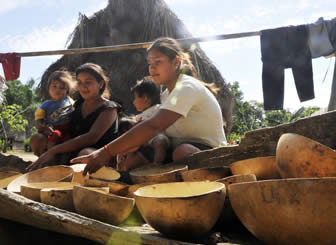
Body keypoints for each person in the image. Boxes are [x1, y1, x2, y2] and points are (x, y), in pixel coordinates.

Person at [71, 37, 227, 175]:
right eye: (150, 63)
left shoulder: (186, 87)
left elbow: (154, 126)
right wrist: (130, 145)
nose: (152, 68)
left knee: (182, 152)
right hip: (178, 147)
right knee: (139, 156)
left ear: (176, 61)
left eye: (158, 62)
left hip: (210, 152)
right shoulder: (167, 94)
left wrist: (104, 152)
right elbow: (157, 131)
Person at [27, 63, 121, 171]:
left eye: (88, 82)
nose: (83, 86)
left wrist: (54, 150)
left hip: (98, 154)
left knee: (85, 154)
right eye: (79, 82)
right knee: (37, 139)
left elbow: (91, 138)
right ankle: (47, 168)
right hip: (74, 150)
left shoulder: (109, 109)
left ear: (100, 84)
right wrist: (46, 128)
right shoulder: (77, 105)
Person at [30, 70, 75, 157]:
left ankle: (64, 163)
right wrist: (43, 128)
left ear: (67, 90)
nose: (57, 89)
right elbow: (38, 120)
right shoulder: (45, 105)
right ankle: (48, 159)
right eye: (54, 86)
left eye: (62, 88)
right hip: (52, 130)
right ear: (49, 87)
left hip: (68, 131)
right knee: (53, 138)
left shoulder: (71, 102)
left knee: (69, 144)